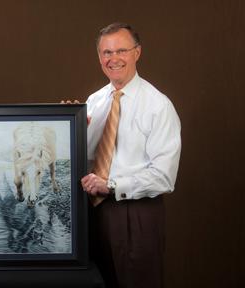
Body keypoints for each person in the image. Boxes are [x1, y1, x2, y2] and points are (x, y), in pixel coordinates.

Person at [81, 23, 181, 288]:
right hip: (92, 212)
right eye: (106, 52)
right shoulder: (93, 102)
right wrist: (67, 125)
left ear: (137, 52)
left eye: (121, 50)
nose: (113, 59)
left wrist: (112, 185)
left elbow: (163, 177)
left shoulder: (158, 106)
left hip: (136, 215)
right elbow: (83, 158)